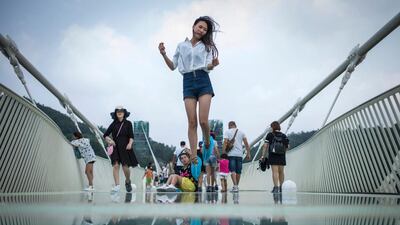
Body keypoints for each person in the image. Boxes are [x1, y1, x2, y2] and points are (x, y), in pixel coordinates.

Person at [158, 16, 220, 159]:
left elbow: (208, 65)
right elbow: (173, 66)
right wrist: (163, 54)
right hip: (188, 82)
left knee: (203, 121)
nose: (202, 30)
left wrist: (214, 64)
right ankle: (193, 155)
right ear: (193, 26)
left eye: (205, 29)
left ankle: (206, 140)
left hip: (203, 80)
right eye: (200, 27)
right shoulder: (181, 45)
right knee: (192, 121)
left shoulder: (207, 47)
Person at [104, 106, 138, 193]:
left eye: (121, 111)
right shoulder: (114, 123)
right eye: (118, 111)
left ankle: (127, 181)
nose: (119, 112)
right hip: (115, 146)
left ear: (124, 113)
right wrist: (110, 140)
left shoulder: (128, 123)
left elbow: (131, 136)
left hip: (125, 146)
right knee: (115, 165)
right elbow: (105, 135)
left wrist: (130, 144)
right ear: (115, 113)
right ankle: (117, 186)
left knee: (125, 166)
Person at [222, 121, 251, 192]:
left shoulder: (227, 132)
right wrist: (248, 153)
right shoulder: (241, 132)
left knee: (232, 170)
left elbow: (225, 142)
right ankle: (236, 186)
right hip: (239, 155)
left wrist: (223, 153)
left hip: (231, 154)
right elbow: (246, 143)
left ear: (229, 125)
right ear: (235, 125)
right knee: (238, 171)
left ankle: (235, 186)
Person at [261, 121, 289, 193]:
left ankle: (276, 188)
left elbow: (265, 146)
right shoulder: (283, 135)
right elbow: (288, 146)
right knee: (281, 172)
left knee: (275, 172)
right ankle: (281, 188)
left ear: (272, 127)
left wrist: (263, 156)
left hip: (273, 155)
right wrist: (284, 152)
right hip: (282, 155)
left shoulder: (270, 135)